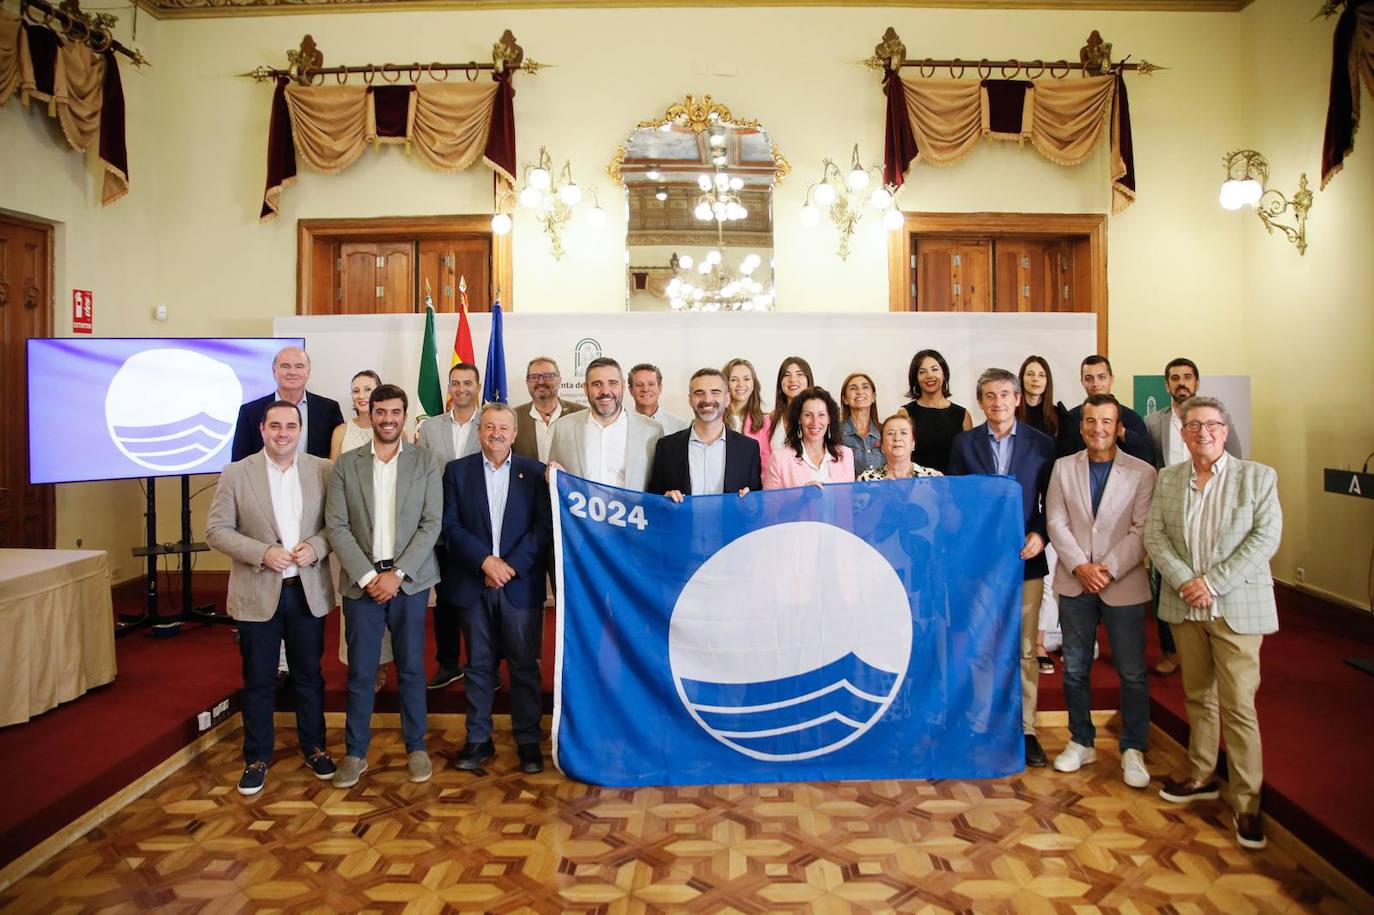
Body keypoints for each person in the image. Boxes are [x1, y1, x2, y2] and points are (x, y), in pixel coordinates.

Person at [1145, 395, 1281, 851]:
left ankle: (1247, 801)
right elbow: (1155, 535)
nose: (1202, 433)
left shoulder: (1257, 477)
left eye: (1211, 425)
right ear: (1181, 433)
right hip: (1186, 605)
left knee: (1239, 705)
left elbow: (1266, 537)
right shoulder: (1169, 479)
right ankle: (1201, 774)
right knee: (1197, 695)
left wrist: (1214, 583)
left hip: (1235, 607)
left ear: (1225, 430)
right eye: (1193, 426)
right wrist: (1187, 581)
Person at [206, 401, 336, 795]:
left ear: (300, 429)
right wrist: (262, 553)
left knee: (309, 677)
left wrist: (316, 545)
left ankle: (314, 749)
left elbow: (338, 525)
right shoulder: (236, 473)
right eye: (275, 425)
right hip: (257, 592)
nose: (283, 433)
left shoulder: (323, 470)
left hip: (306, 592)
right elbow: (216, 530)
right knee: (259, 679)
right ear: (262, 429)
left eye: (291, 426)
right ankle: (257, 758)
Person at [325, 384, 444, 789]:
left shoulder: (425, 462)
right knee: (361, 672)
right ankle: (355, 754)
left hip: (408, 584)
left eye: (395, 412)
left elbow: (432, 524)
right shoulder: (346, 464)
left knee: (411, 670)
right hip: (362, 585)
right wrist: (367, 576)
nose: (388, 419)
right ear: (369, 414)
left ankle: (416, 747)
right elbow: (337, 526)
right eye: (381, 412)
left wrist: (398, 574)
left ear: (405, 416)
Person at [1045, 394, 1157, 788]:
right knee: (1074, 669)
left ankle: (1132, 747)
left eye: (1106, 422)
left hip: (1122, 583)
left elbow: (1142, 530)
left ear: (1118, 426)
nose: (1098, 429)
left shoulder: (1143, 472)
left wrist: (1105, 570)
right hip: (1075, 582)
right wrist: (1080, 566)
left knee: (1131, 672)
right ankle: (1081, 740)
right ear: (1081, 426)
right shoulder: (1062, 468)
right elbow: (1055, 522)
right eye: (1091, 421)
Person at [947, 368, 1056, 767]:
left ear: (1016, 398)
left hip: (1026, 559)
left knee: (1025, 649)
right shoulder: (964, 443)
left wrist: (1040, 535)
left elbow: (1052, 502)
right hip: (979, 563)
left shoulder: (1043, 445)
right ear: (980, 402)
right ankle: (981, 725)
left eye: (1005, 395)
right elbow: (957, 502)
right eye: (990, 396)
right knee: (980, 644)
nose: (998, 403)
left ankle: (1025, 729)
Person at [441, 403, 552, 774]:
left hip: (519, 585)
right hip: (473, 582)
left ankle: (527, 740)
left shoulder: (534, 473)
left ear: (515, 433)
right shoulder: (457, 472)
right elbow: (450, 527)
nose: (496, 434)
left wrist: (509, 567)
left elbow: (542, 529)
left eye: (504, 428)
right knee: (479, 666)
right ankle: (478, 739)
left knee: (524, 666)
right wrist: (484, 562)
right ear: (479, 431)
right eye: (489, 427)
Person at [1144, 357, 1244, 676]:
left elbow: (1237, 463)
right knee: (1164, 584)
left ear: (1197, 382)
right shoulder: (1151, 423)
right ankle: (1172, 650)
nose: (1181, 383)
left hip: (1211, 513)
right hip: (1171, 512)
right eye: (1175, 378)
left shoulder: (1217, 421)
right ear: (1166, 385)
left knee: (1209, 577)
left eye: (1187, 377)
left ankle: (1214, 642)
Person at [416, 362, 484, 691]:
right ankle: (448, 663)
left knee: (483, 601)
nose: (461, 389)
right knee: (445, 600)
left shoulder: (492, 422)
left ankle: (485, 664)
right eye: (455, 383)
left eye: (467, 383)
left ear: (478, 386)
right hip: (442, 528)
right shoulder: (429, 429)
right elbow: (424, 477)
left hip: (482, 529)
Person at [327, 369, 393, 693]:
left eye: (368, 388)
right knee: (354, 602)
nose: (361, 394)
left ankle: (380, 665)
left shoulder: (397, 430)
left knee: (382, 600)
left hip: (386, 533)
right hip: (351, 533)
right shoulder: (341, 431)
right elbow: (333, 479)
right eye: (356, 389)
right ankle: (358, 665)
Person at [1017, 355, 1071, 674]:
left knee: (1047, 579)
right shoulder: (1015, 413)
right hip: (1021, 502)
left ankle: (1039, 641)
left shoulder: (1058, 416)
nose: (1035, 379)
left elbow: (1065, 460)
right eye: (1029, 374)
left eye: (1041, 374)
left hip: (1049, 502)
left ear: (1048, 381)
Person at [548, 357, 663, 490]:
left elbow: (659, 485)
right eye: (597, 384)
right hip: (578, 510)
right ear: (585, 388)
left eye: (613, 383)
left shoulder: (652, 431)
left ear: (623, 386)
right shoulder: (562, 428)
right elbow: (554, 481)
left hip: (634, 510)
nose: (605, 391)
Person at [648, 368, 763, 499]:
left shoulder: (748, 448)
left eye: (715, 392)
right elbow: (654, 498)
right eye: (699, 393)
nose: (707, 399)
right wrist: (664, 499)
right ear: (690, 400)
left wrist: (751, 502)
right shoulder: (666, 447)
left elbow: (756, 500)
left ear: (727, 399)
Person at [232, 345, 344, 461]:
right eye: (285, 366)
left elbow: (340, 460)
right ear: (274, 371)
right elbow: (239, 462)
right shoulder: (250, 412)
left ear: (308, 372)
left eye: (299, 367)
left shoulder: (329, 410)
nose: (292, 372)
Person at [1059, 355, 1154, 464]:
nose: (1095, 384)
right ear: (1082, 382)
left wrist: (1123, 433)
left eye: (1101, 377)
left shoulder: (1132, 418)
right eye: (1089, 379)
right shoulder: (1071, 418)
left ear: (1111, 379)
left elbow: (1147, 458)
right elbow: (1064, 460)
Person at [764, 386, 855, 489]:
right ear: (799, 419)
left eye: (821, 414)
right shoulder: (780, 459)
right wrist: (802, 499)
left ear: (829, 418)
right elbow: (770, 504)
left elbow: (848, 501)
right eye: (808, 415)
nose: (815, 422)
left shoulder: (846, 455)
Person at [901, 349, 972, 474]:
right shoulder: (905, 414)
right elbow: (900, 458)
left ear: (944, 373)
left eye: (935, 369)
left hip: (953, 487)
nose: (929, 376)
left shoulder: (963, 415)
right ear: (915, 378)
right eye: (922, 372)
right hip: (917, 487)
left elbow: (968, 459)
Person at [512, 357, 585, 462]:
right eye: (534, 377)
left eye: (548, 376)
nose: (541, 382)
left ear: (559, 380)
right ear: (527, 382)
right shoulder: (513, 417)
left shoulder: (581, 414)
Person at [857, 412, 942, 480]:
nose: (897, 438)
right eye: (890, 433)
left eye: (903, 433)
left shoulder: (934, 477)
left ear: (913, 444)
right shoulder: (867, 479)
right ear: (882, 446)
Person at [723, 357, 773, 471]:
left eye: (746, 379)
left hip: (754, 486)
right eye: (734, 379)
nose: (741, 384)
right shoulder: (714, 420)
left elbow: (767, 462)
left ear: (754, 383)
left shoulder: (766, 422)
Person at [766, 356, 814, 457]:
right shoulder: (773, 417)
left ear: (808, 380)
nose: (792, 379)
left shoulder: (818, 416)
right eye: (787, 375)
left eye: (799, 374)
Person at [329, 370, 382, 461]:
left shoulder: (394, 431)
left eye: (368, 389)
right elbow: (333, 470)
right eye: (356, 391)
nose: (361, 396)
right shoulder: (341, 432)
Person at [840, 372, 883, 478]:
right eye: (853, 388)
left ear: (873, 397)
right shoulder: (835, 433)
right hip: (848, 493)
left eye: (865, 387)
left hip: (882, 492)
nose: (860, 392)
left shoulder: (885, 431)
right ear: (845, 399)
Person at [630, 363, 690, 435]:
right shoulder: (622, 424)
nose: (645, 389)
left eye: (651, 384)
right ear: (631, 390)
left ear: (660, 388)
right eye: (639, 385)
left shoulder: (680, 426)